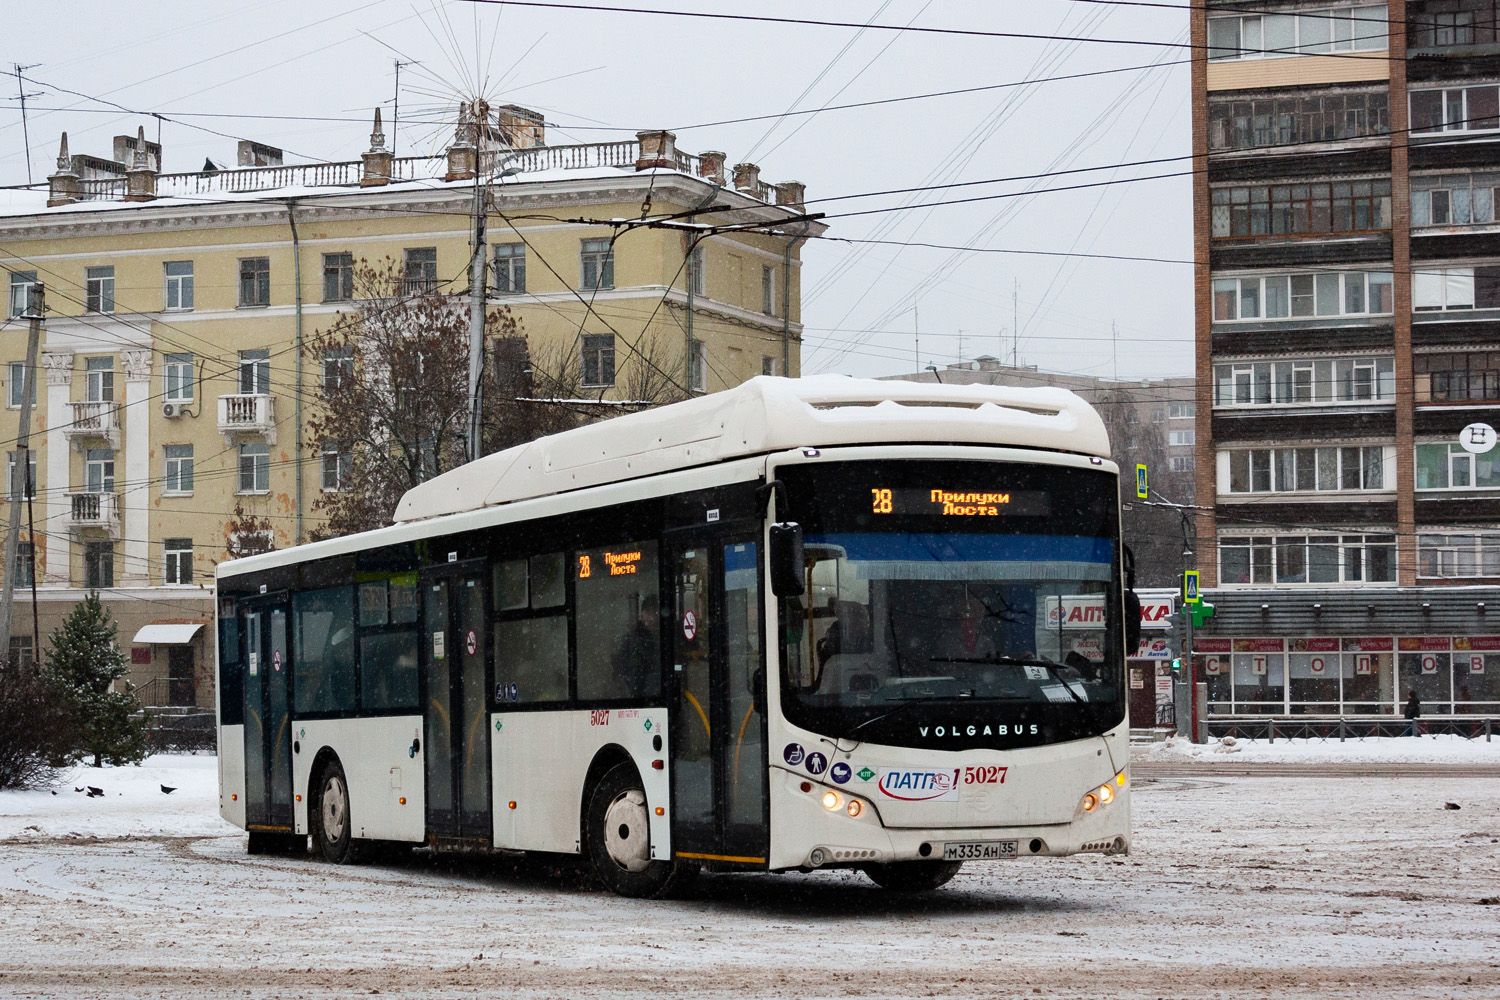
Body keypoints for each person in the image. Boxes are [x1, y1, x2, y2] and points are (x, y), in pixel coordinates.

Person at [615, 596, 659, 697]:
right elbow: (624, 665)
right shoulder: (633, 638)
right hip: (640, 696)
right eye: (648, 613)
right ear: (642, 615)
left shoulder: (664, 637)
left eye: (654, 614)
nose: (651, 618)